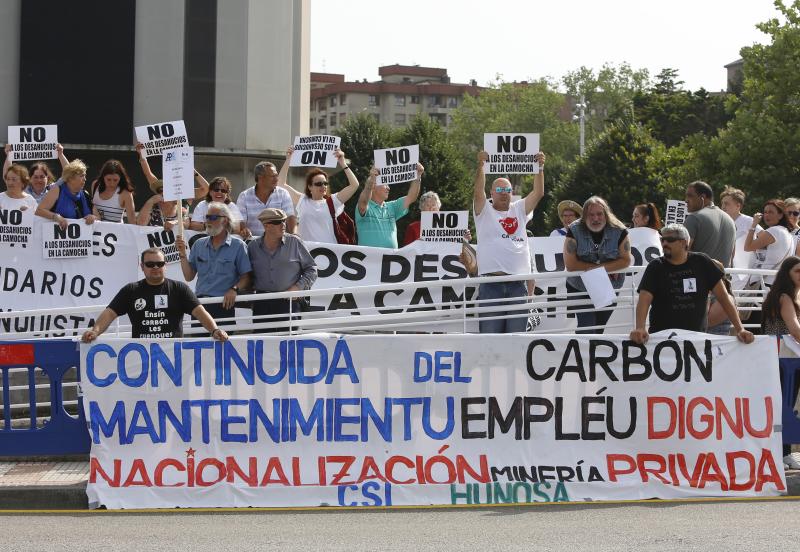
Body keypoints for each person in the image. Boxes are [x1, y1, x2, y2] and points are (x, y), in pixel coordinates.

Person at [629, 224, 754, 345]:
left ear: (684, 243)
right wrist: (640, 327)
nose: (664, 244)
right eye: (662, 240)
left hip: (696, 339)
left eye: (670, 240)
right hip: (662, 338)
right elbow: (644, 299)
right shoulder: (655, 266)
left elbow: (724, 297)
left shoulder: (702, 262)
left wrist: (740, 329)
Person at [81, 248, 228, 342]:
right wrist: (95, 331)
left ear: (165, 265)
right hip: (141, 355)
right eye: (150, 264)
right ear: (142, 267)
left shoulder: (179, 288)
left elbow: (200, 313)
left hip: (173, 354)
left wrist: (215, 330)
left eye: (159, 264)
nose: (155, 267)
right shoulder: (131, 290)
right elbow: (109, 313)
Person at [473, 150, 545, 333]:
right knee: (490, 339)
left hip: (517, 285)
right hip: (491, 285)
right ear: (492, 192)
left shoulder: (519, 209)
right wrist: (481, 165)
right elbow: (477, 192)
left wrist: (540, 167)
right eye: (499, 190)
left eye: (507, 190)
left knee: (516, 339)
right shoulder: (484, 211)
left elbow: (538, 193)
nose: (504, 193)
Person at [563, 196, 632, 333]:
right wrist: (606, 268)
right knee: (587, 328)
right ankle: (582, 354)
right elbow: (570, 264)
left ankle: (591, 353)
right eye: (591, 215)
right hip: (579, 286)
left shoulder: (619, 230)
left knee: (599, 329)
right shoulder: (574, 229)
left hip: (608, 286)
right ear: (584, 216)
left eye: (599, 214)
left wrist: (594, 269)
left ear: (606, 214)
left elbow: (626, 260)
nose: (595, 218)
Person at [176, 202, 252, 325]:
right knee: (198, 343)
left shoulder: (238, 246)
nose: (208, 221)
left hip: (224, 304)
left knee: (223, 343)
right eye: (207, 217)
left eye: (213, 217)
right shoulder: (198, 244)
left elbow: (246, 278)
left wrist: (234, 289)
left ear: (225, 220)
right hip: (200, 305)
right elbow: (189, 276)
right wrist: (182, 254)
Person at [247, 208, 317, 333]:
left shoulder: (295, 242)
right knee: (262, 343)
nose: (283, 225)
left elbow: (311, 269)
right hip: (262, 302)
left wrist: (298, 287)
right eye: (278, 222)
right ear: (266, 225)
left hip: (289, 301)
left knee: (289, 343)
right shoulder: (253, 247)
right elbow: (247, 274)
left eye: (284, 221)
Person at [759, 256, 800, 470]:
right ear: (787, 273)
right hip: (784, 359)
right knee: (783, 406)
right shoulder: (785, 297)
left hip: (782, 358)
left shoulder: (784, 295)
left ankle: (780, 453)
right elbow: (794, 329)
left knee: (781, 406)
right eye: (798, 271)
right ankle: (782, 454)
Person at [278, 146, 360, 243]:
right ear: (309, 187)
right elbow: (280, 184)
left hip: (329, 252)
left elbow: (354, 185)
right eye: (318, 184)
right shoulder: (303, 200)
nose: (323, 186)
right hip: (306, 251)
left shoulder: (333, 201)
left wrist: (343, 163)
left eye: (325, 183)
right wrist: (288, 160)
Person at [134, 142, 208, 230]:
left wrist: (192, 170)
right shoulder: (157, 196)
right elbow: (148, 174)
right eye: (161, 190)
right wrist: (142, 155)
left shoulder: (185, 195)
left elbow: (206, 189)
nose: (163, 192)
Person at [356, 163, 423, 248]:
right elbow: (363, 202)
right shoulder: (365, 205)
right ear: (374, 186)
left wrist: (418, 176)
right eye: (385, 184)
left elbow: (411, 197)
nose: (388, 188)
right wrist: (371, 180)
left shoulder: (392, 207)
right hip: (369, 260)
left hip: (391, 260)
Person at [237, 159, 296, 239]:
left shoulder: (283, 194)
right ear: (260, 177)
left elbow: (290, 217)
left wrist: (292, 236)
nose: (276, 179)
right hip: (252, 245)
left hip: (278, 245)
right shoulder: (244, 196)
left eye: (276, 175)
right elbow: (240, 221)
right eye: (273, 176)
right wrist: (244, 229)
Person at [743, 199, 795, 287]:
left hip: (766, 282)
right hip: (778, 281)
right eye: (765, 212)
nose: (767, 215)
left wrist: (753, 225)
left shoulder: (774, 231)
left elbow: (747, 247)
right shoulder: (786, 232)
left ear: (780, 215)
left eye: (771, 212)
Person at [684, 181, 736, 267]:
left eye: (690, 196)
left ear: (702, 197)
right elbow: (732, 255)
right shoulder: (730, 220)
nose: (686, 200)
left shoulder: (694, 218)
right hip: (722, 277)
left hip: (697, 277)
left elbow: (680, 254)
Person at [35, 159, 97, 228]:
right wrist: (56, 217)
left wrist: (93, 217)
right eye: (81, 176)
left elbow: (98, 217)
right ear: (70, 178)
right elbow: (39, 211)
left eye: (85, 176)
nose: (85, 179)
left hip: (83, 237)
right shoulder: (57, 191)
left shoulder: (85, 194)